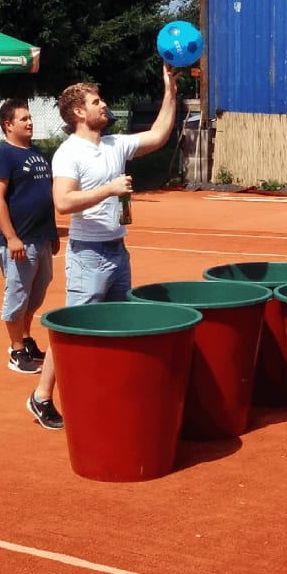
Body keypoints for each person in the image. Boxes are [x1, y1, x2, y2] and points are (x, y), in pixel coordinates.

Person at [25, 63, 179, 430]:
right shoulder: (69, 152)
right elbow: (62, 203)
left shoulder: (115, 144)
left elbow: (158, 135)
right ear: (79, 111)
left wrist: (170, 90)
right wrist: (108, 190)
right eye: (97, 101)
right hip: (88, 255)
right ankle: (41, 397)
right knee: (72, 328)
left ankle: (109, 394)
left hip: (116, 250)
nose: (104, 105)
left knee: (118, 326)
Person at [0, 99, 60, 379]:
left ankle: (26, 338)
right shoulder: (2, 155)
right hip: (19, 242)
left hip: (41, 238)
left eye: (30, 118)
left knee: (37, 293)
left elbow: (45, 195)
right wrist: (11, 237)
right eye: (23, 119)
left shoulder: (37, 152)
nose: (30, 122)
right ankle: (16, 350)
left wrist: (51, 233)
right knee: (17, 296)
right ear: (8, 125)